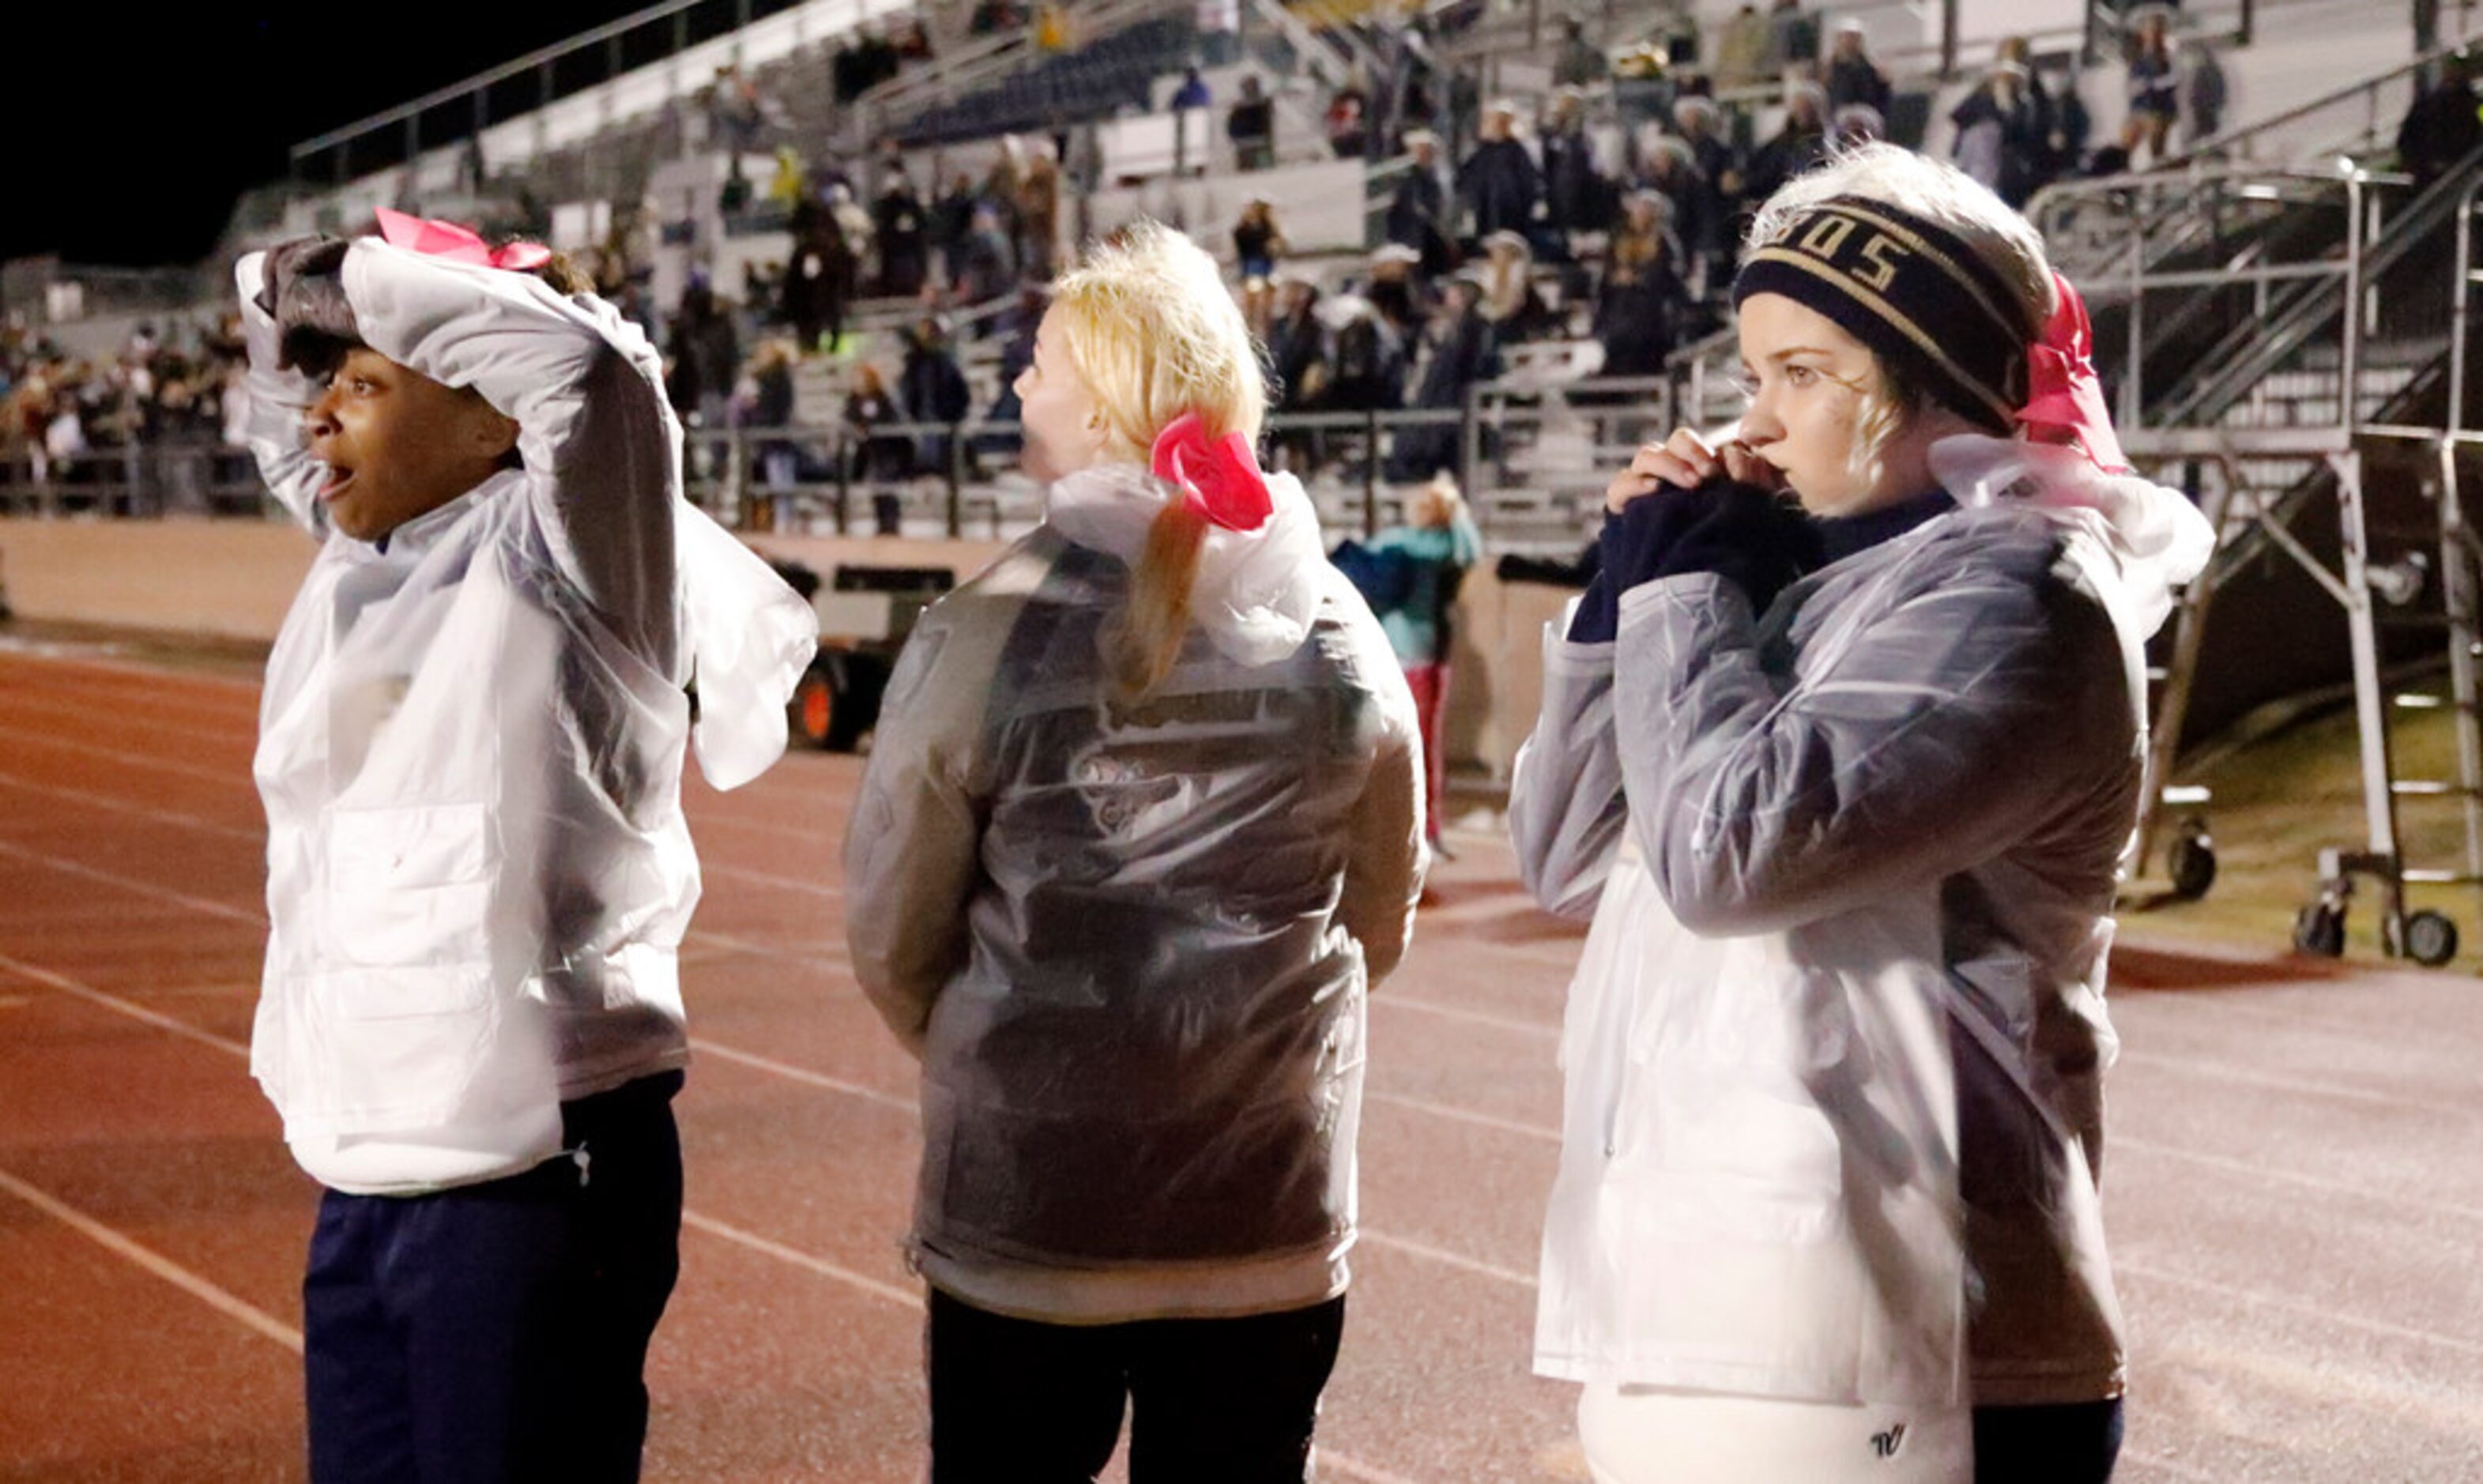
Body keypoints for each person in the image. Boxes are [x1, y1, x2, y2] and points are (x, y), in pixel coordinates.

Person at [1508, 143, 2214, 1482]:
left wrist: (1685, 597)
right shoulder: (1820, 579)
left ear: (1932, 385)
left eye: (1806, 374)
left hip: (1915, 1338)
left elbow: (1726, 856)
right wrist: (1616, 609)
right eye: (1753, 371)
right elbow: (1564, 851)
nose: (1755, 421)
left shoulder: (2018, 601)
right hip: (1733, 1311)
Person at [236, 212, 814, 1482]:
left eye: (366, 384)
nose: (321, 415)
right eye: (326, 383)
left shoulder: (578, 556)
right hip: (367, 1166)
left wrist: (374, 275)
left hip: (533, 1169)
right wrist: (308, 310)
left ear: (493, 415)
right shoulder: (364, 565)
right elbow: (268, 388)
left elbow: (592, 377)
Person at [843, 218, 1424, 1482]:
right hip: (1267, 1206)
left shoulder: (986, 626)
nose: (1014, 383)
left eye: (1041, 360)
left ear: (1107, 405)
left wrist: (1020, 1058)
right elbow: (1382, 906)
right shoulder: (1337, 624)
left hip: (1031, 1217)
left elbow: (894, 930)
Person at [1362, 473, 1480, 851]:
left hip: (1393, 654)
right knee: (1426, 749)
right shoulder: (1449, 546)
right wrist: (1455, 511)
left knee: (1392, 748)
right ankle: (1427, 831)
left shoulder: (1399, 543)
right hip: (1429, 657)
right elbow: (1471, 548)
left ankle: (1402, 834)